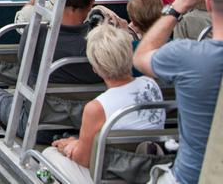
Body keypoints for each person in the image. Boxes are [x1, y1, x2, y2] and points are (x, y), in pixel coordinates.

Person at [0, 0, 102, 140]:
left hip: (36, 127)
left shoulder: (35, 34)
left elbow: (23, 72)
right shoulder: (103, 42)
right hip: (85, 125)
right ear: (91, 3)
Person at [42, 24, 166, 184]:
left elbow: (84, 160)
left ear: (95, 67)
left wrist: (69, 146)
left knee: (48, 154)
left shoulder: (96, 107)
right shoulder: (151, 85)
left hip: (110, 176)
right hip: (147, 170)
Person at [134, 0, 223, 184]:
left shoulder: (188, 56)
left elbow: (141, 56)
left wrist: (177, 7)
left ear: (208, 3)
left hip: (191, 178)